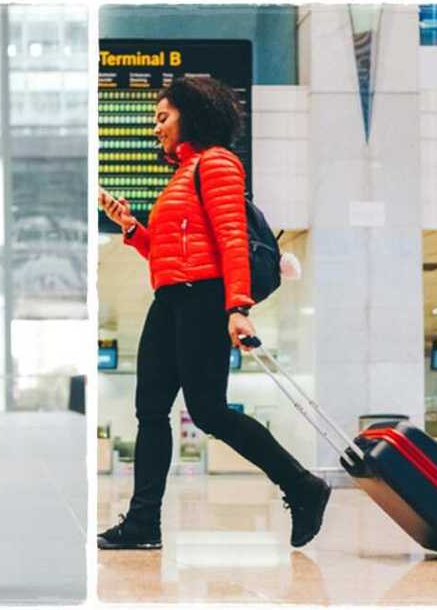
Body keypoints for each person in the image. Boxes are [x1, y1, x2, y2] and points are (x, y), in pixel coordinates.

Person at [96, 76, 330, 551]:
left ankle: (302, 484)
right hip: (171, 299)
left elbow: (231, 240)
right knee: (150, 411)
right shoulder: (180, 175)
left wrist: (238, 306)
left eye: (163, 117)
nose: (155, 127)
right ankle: (144, 523)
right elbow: (172, 252)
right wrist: (132, 227)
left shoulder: (217, 164)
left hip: (203, 298)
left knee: (209, 412)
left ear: (191, 114)